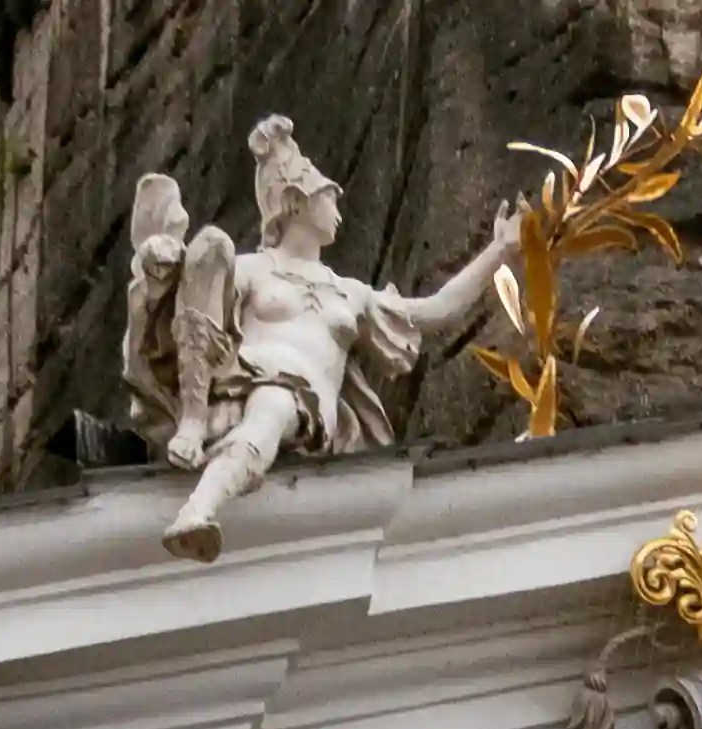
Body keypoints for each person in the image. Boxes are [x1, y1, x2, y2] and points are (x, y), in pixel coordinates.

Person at [124, 118, 513, 565]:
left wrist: (498, 250)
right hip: (237, 382)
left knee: (274, 405)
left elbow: (437, 309)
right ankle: (193, 419)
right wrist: (162, 266)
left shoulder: (351, 293)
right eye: (329, 196)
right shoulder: (254, 269)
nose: (339, 207)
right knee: (210, 243)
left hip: (301, 401)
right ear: (296, 202)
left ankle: (199, 509)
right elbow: (193, 302)